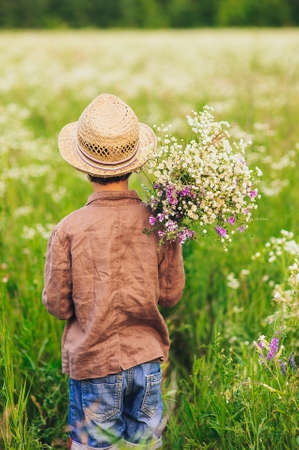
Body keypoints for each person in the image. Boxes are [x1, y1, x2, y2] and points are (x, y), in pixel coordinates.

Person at [42, 93, 185, 449]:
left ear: (84, 165)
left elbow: (58, 306)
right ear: (135, 163)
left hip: (94, 364)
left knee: (94, 445)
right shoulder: (160, 221)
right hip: (147, 361)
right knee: (144, 444)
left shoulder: (69, 229)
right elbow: (170, 295)